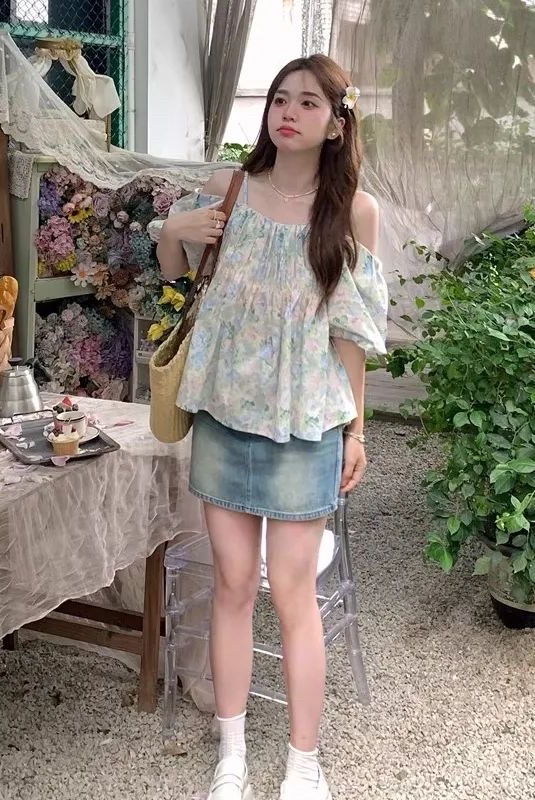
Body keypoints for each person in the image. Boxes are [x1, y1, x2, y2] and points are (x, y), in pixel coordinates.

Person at [157, 54, 388, 800]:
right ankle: (231, 755)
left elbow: (351, 335)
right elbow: (172, 274)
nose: (288, 112)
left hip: (306, 426)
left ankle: (303, 764)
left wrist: (356, 431)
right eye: (280, 99)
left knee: (292, 592)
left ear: (337, 123)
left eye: (308, 102)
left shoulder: (354, 212)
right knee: (230, 584)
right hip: (225, 418)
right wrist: (171, 229)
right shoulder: (229, 190)